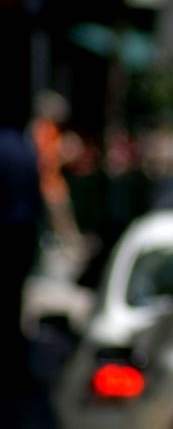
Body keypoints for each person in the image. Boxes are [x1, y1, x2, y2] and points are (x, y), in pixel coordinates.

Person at [0, 119, 48, 427]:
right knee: (14, 303)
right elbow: (36, 196)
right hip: (19, 235)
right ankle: (14, 367)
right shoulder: (24, 149)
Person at [28, 90, 85, 253]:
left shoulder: (52, 129)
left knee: (64, 220)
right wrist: (63, 150)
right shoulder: (41, 129)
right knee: (60, 221)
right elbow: (43, 158)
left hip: (54, 183)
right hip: (47, 185)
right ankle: (69, 250)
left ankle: (70, 248)